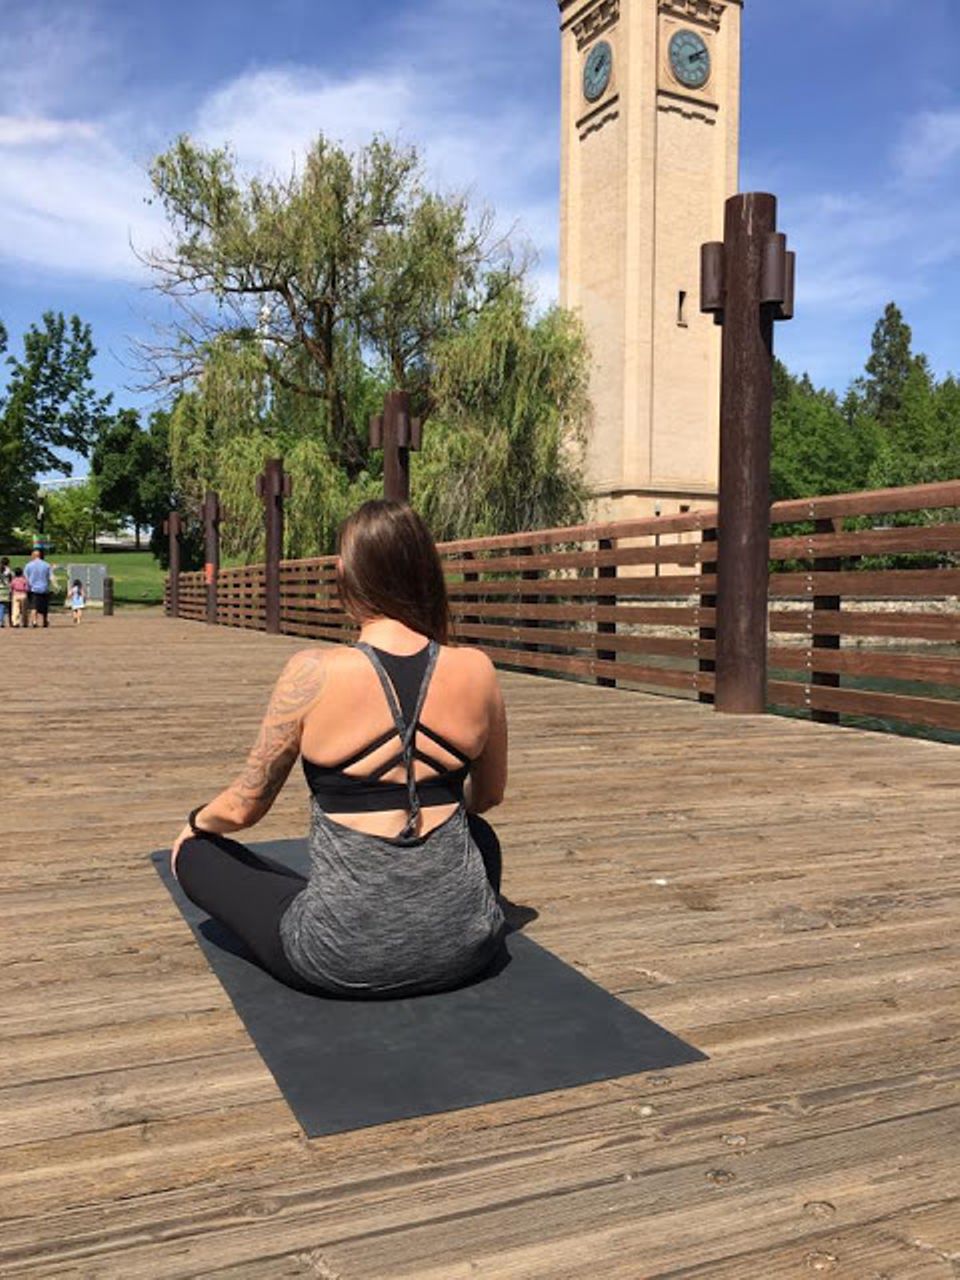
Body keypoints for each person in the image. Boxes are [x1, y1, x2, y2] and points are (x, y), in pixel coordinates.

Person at [172, 500, 508, 998]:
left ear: (344, 572)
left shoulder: (314, 671)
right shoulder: (477, 668)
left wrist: (196, 823)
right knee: (476, 832)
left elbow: (244, 809)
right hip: (468, 945)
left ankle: (194, 848)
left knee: (197, 855)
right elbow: (487, 799)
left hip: (340, 955)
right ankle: (441, 923)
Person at [24, 549, 56, 629]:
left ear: (34, 556)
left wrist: (26, 587)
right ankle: (45, 621)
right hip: (44, 588)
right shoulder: (46, 565)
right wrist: (55, 585)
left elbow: (26, 578)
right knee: (44, 607)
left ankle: (34, 621)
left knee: (34, 607)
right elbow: (51, 577)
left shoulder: (28, 565)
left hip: (33, 589)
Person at [0, 558, 11, 629]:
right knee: (3, 606)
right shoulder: (8, 571)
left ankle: (1, 620)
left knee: (1, 606)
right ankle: (3, 621)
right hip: (5, 590)